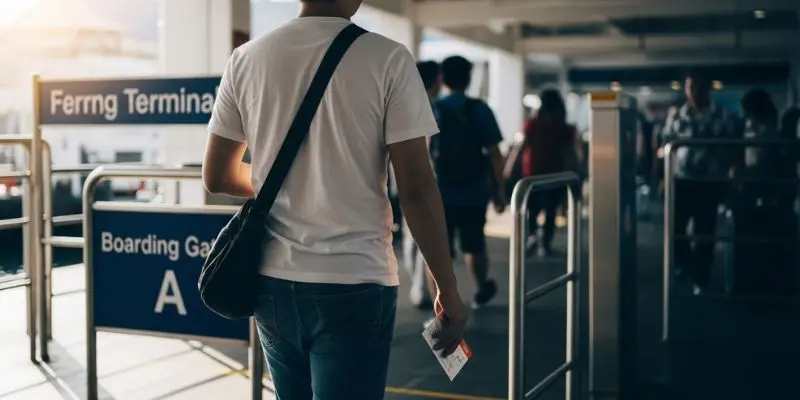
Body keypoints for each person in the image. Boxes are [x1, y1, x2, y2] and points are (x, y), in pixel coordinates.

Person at [201, 1, 468, 398]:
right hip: (355, 281)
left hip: (272, 280)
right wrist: (445, 286)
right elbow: (415, 187)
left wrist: (293, 184)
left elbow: (218, 176)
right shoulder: (388, 58)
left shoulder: (246, 59)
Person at [431, 55, 506, 310]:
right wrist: (500, 190)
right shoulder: (480, 109)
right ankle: (480, 291)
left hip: (439, 192)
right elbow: (495, 154)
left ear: (442, 79)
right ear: (469, 78)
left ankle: (440, 308)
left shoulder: (433, 109)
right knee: (475, 244)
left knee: (438, 252)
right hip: (475, 190)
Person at [661, 72, 737, 295]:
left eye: (698, 88)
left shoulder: (721, 116)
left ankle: (700, 277)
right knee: (676, 227)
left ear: (707, 90)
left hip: (708, 182)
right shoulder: (677, 116)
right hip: (682, 180)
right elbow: (666, 144)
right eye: (689, 87)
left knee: (705, 232)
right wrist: (663, 177)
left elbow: (732, 146)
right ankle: (684, 263)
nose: (693, 93)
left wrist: (732, 173)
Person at [506, 89, 580, 257]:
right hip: (555, 174)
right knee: (551, 211)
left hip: (533, 174)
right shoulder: (564, 127)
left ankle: (532, 236)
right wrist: (575, 171)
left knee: (531, 209)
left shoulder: (533, 123)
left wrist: (509, 168)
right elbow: (570, 152)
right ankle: (545, 244)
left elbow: (521, 147)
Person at [401, 60, 441, 310]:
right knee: (428, 233)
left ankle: (418, 286)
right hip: (432, 179)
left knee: (411, 235)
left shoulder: (403, 103)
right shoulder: (437, 108)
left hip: (402, 177)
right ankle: (422, 288)